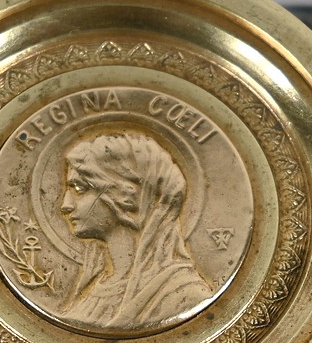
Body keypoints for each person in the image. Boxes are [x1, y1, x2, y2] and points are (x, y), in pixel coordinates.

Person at [60, 131, 211, 331]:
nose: (65, 205)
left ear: (126, 196)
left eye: (80, 189)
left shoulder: (184, 295)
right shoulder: (98, 286)